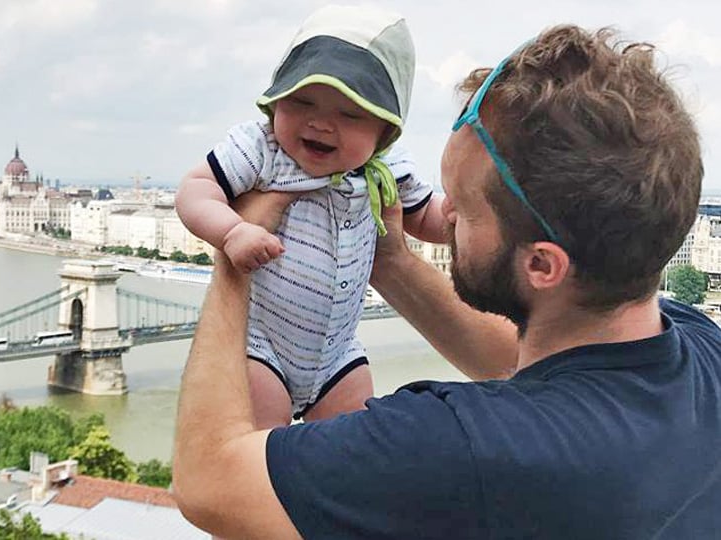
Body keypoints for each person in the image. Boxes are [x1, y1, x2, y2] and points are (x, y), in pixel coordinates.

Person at [173, 24, 720, 540]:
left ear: (542, 265)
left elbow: (207, 482)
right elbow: (516, 358)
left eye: (466, 206)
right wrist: (391, 259)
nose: (447, 212)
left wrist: (235, 255)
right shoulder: (701, 349)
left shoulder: (453, 448)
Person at [175, 5, 447, 429]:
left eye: (350, 113)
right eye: (301, 101)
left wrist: (473, 215)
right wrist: (232, 231)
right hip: (262, 347)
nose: (320, 122)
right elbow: (194, 190)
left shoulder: (387, 168)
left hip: (339, 356)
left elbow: (427, 217)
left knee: (347, 452)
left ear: (385, 131)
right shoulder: (263, 149)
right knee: (262, 457)